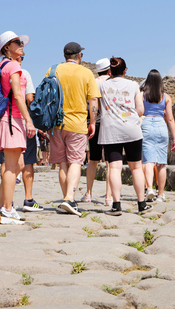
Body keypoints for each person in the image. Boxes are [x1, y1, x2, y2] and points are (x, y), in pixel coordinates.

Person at [45, 42, 100, 216]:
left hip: (56, 124)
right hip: (76, 123)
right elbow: (93, 101)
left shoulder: (53, 71)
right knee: (76, 161)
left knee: (62, 163)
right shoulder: (86, 73)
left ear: (65, 56)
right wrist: (92, 122)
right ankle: (69, 198)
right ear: (79, 56)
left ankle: (66, 199)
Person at [0, 31, 37, 225]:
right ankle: (7, 210)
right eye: (17, 42)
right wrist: (29, 121)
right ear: (7, 47)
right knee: (11, 167)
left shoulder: (1, 66)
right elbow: (18, 95)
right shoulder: (13, 66)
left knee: (16, 165)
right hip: (11, 119)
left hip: (6, 120)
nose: (21, 44)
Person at [98, 57, 153, 216]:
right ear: (125, 70)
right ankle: (141, 205)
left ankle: (116, 205)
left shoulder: (102, 86)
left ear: (110, 71)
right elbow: (141, 110)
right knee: (136, 167)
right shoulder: (134, 85)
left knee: (114, 167)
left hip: (110, 130)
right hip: (131, 130)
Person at [141, 69, 175, 203]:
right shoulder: (166, 97)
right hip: (161, 125)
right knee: (161, 163)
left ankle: (150, 188)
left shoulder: (142, 95)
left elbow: (139, 112)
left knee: (148, 161)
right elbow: (170, 119)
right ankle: (161, 194)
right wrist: (174, 138)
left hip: (146, 125)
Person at [82, 58, 111, 205]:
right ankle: (109, 196)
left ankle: (88, 193)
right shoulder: (112, 82)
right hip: (110, 123)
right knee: (110, 161)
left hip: (95, 122)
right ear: (109, 70)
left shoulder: (93, 82)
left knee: (93, 159)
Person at [17, 52, 43, 212]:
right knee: (27, 161)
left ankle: (6, 201)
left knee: (7, 163)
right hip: (21, 120)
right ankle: (28, 199)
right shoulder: (23, 73)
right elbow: (30, 99)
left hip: (4, 123)